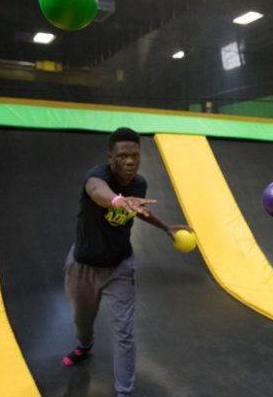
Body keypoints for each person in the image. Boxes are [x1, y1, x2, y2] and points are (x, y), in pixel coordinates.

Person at [62, 127, 188, 397]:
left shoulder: (139, 183)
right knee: (81, 320)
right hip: (83, 265)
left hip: (119, 267)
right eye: (122, 156)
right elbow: (99, 193)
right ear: (110, 157)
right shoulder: (95, 178)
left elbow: (138, 209)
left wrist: (165, 227)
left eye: (134, 155)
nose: (129, 161)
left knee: (124, 333)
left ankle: (124, 392)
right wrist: (119, 200)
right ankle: (85, 345)